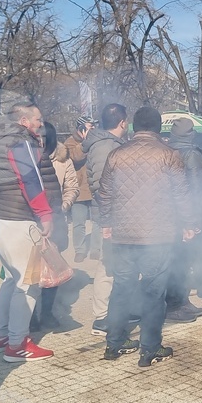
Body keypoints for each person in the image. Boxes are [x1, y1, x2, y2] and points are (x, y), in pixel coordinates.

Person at [98, 107, 198, 367]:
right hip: (158, 235)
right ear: (157, 128)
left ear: (133, 127)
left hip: (123, 234)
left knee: (121, 289)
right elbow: (181, 194)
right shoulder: (169, 154)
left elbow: (105, 192)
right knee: (154, 293)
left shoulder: (116, 154)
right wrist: (189, 224)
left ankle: (114, 343)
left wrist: (106, 224)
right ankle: (149, 349)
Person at [0, 103, 58, 362]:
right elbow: (30, 179)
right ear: (25, 121)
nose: (40, 123)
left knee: (12, 281)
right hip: (20, 219)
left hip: (1, 219)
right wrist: (45, 214)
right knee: (28, 284)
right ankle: (17, 344)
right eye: (38, 119)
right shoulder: (21, 141)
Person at [83, 103, 130, 336]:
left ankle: (118, 309)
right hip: (109, 217)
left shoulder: (112, 145)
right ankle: (101, 317)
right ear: (123, 122)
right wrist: (109, 221)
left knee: (118, 264)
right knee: (108, 265)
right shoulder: (104, 147)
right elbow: (103, 187)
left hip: (118, 215)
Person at [31, 121, 80, 331]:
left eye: (42, 137)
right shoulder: (27, 159)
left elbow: (72, 186)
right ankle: (30, 314)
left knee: (52, 268)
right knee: (30, 271)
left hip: (56, 220)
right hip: (31, 222)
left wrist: (64, 205)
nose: (39, 140)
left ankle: (47, 312)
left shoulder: (62, 160)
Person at [164, 118, 202, 323]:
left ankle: (180, 301)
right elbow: (197, 188)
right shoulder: (191, 154)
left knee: (175, 260)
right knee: (181, 262)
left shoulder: (166, 150)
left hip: (170, 215)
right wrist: (196, 219)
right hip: (187, 215)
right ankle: (175, 305)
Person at [65, 115, 96, 262]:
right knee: (78, 223)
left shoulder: (96, 141)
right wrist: (85, 142)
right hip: (79, 189)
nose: (94, 129)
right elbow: (76, 157)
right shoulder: (70, 143)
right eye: (91, 126)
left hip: (95, 187)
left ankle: (96, 249)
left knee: (98, 221)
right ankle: (80, 249)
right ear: (81, 129)